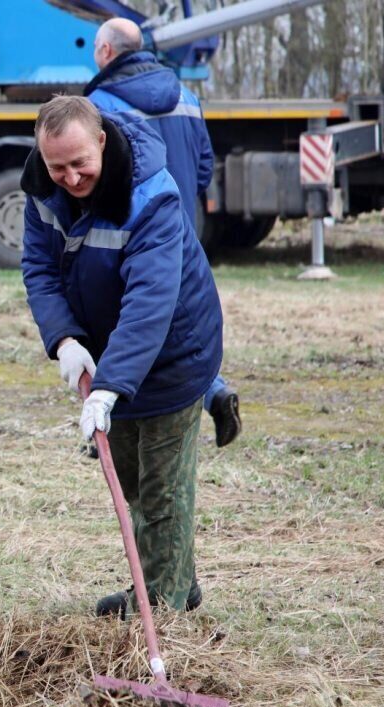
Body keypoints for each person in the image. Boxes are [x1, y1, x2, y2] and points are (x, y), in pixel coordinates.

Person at [20, 96, 222, 618]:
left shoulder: (151, 196)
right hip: (109, 351)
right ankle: (176, 577)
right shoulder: (42, 188)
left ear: (102, 142)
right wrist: (63, 339)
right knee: (132, 479)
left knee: (162, 490)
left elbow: (150, 302)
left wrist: (112, 384)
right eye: (56, 166)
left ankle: (163, 608)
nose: (68, 177)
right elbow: (39, 268)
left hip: (174, 351)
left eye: (79, 163)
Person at [85, 18, 241, 448]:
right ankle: (213, 388)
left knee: (131, 323)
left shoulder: (100, 104)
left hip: (127, 236)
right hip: (183, 231)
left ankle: (113, 424)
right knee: (181, 326)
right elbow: (205, 166)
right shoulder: (187, 96)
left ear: (106, 53)